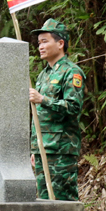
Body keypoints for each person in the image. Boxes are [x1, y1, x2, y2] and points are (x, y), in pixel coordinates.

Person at [28, 18, 86, 201]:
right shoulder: (44, 75)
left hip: (61, 149)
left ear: (60, 43)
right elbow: (39, 117)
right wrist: (36, 148)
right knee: (45, 203)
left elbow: (73, 107)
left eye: (45, 41)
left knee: (62, 202)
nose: (40, 47)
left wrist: (43, 99)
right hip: (43, 149)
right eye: (39, 43)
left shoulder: (71, 72)